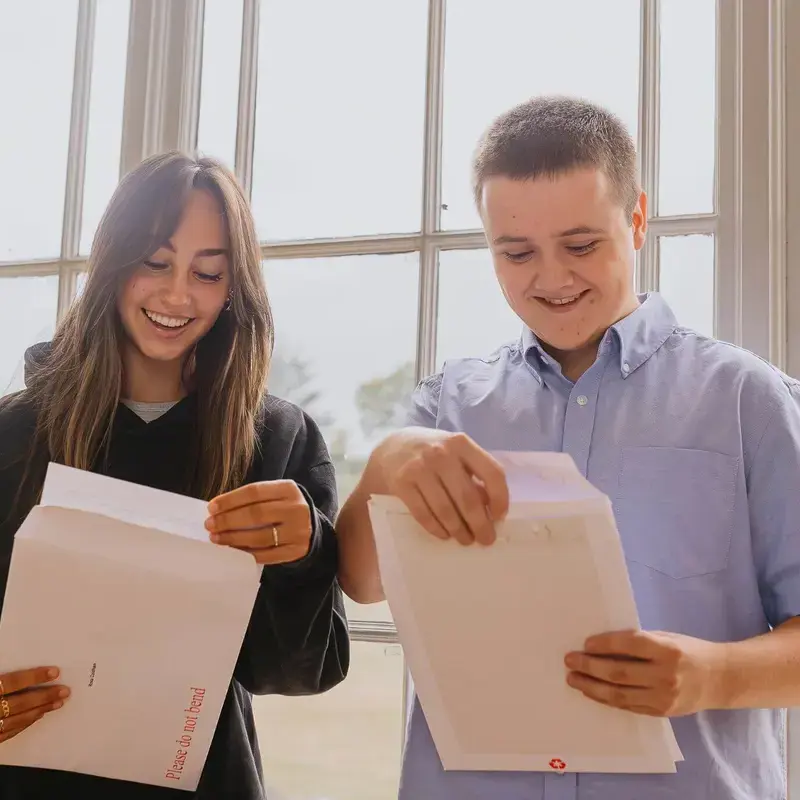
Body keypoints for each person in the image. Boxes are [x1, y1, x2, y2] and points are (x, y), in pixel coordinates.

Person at [336, 95, 800, 799]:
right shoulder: (446, 407)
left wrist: (715, 675)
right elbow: (361, 582)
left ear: (638, 220)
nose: (550, 279)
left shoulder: (748, 402)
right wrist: (385, 464)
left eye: (581, 245)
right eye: (515, 252)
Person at [0, 152, 349, 799]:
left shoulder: (277, 439)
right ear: (112, 265)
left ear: (232, 287)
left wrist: (307, 554)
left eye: (207, 273)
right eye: (154, 263)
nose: (177, 295)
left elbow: (299, 674)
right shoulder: (13, 435)